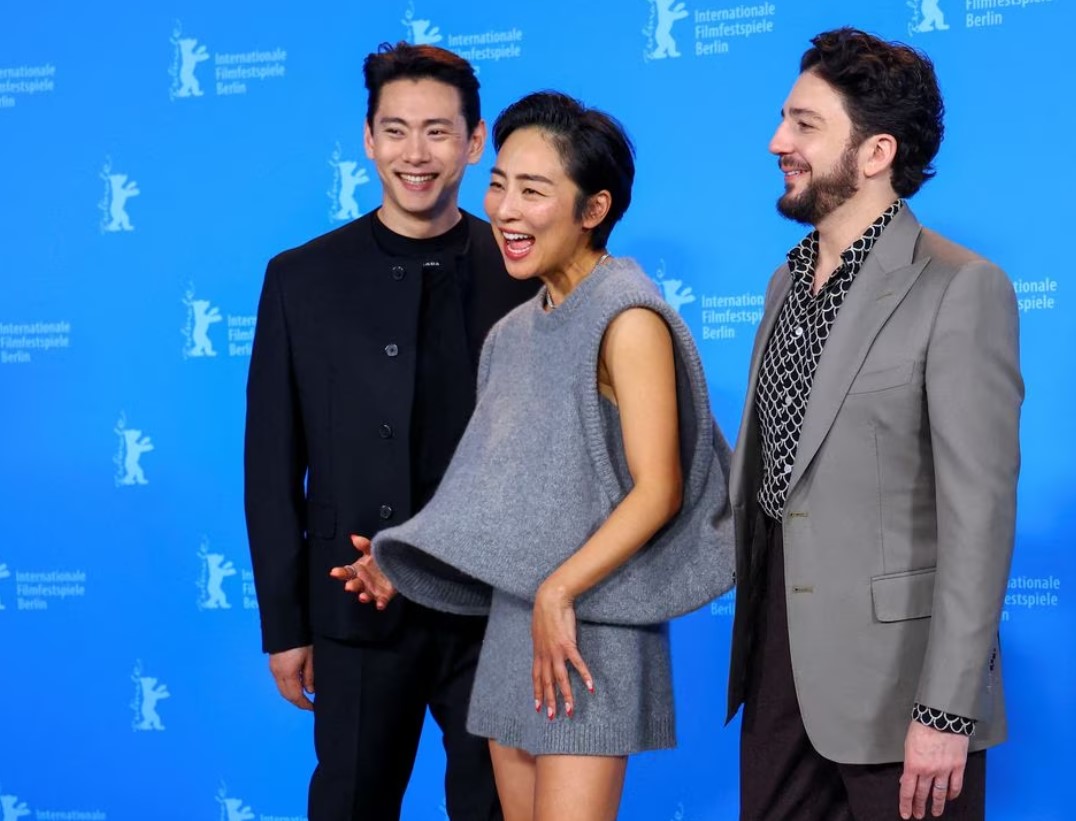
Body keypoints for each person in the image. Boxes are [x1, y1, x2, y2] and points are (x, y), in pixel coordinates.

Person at [332, 91, 734, 821]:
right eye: (500, 184)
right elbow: (489, 498)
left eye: (534, 190)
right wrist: (400, 560)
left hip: (591, 625)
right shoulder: (511, 334)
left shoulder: (628, 314)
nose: (507, 210)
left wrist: (559, 591)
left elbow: (660, 489)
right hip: (516, 625)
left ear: (593, 208)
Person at [725, 28, 1023, 821]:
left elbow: (980, 517)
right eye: (784, 119)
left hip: (902, 688)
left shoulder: (961, 287)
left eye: (803, 124)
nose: (776, 141)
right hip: (777, 668)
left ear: (875, 150)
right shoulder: (782, 283)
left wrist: (947, 710)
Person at [243, 42, 537, 820]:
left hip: (494, 612)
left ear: (476, 144)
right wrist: (285, 624)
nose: (417, 154)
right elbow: (272, 466)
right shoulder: (300, 277)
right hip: (355, 608)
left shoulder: (527, 275)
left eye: (439, 132)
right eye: (397, 130)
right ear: (368, 138)